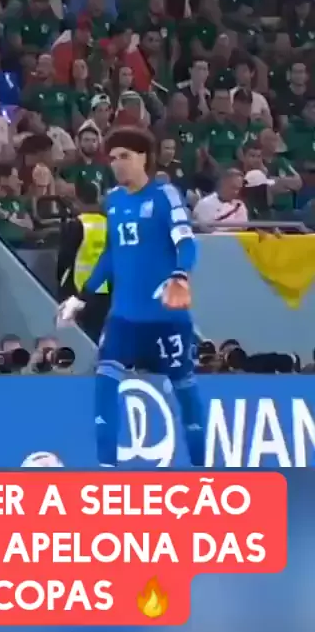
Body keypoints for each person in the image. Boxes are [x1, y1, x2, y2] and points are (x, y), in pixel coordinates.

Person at [57, 126, 205, 468]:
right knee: (105, 382)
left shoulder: (165, 195)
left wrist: (180, 275)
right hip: (123, 317)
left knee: (185, 390)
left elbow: (186, 242)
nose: (117, 164)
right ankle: (107, 469)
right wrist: (82, 296)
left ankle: (201, 467)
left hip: (166, 318)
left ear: (144, 158)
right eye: (112, 158)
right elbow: (111, 254)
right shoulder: (114, 201)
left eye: (124, 156)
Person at [57, 180, 111, 343]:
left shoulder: (76, 224)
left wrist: (59, 282)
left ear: (78, 200)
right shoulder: (109, 223)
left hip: (78, 288)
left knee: (77, 337)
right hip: (106, 289)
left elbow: (65, 258)